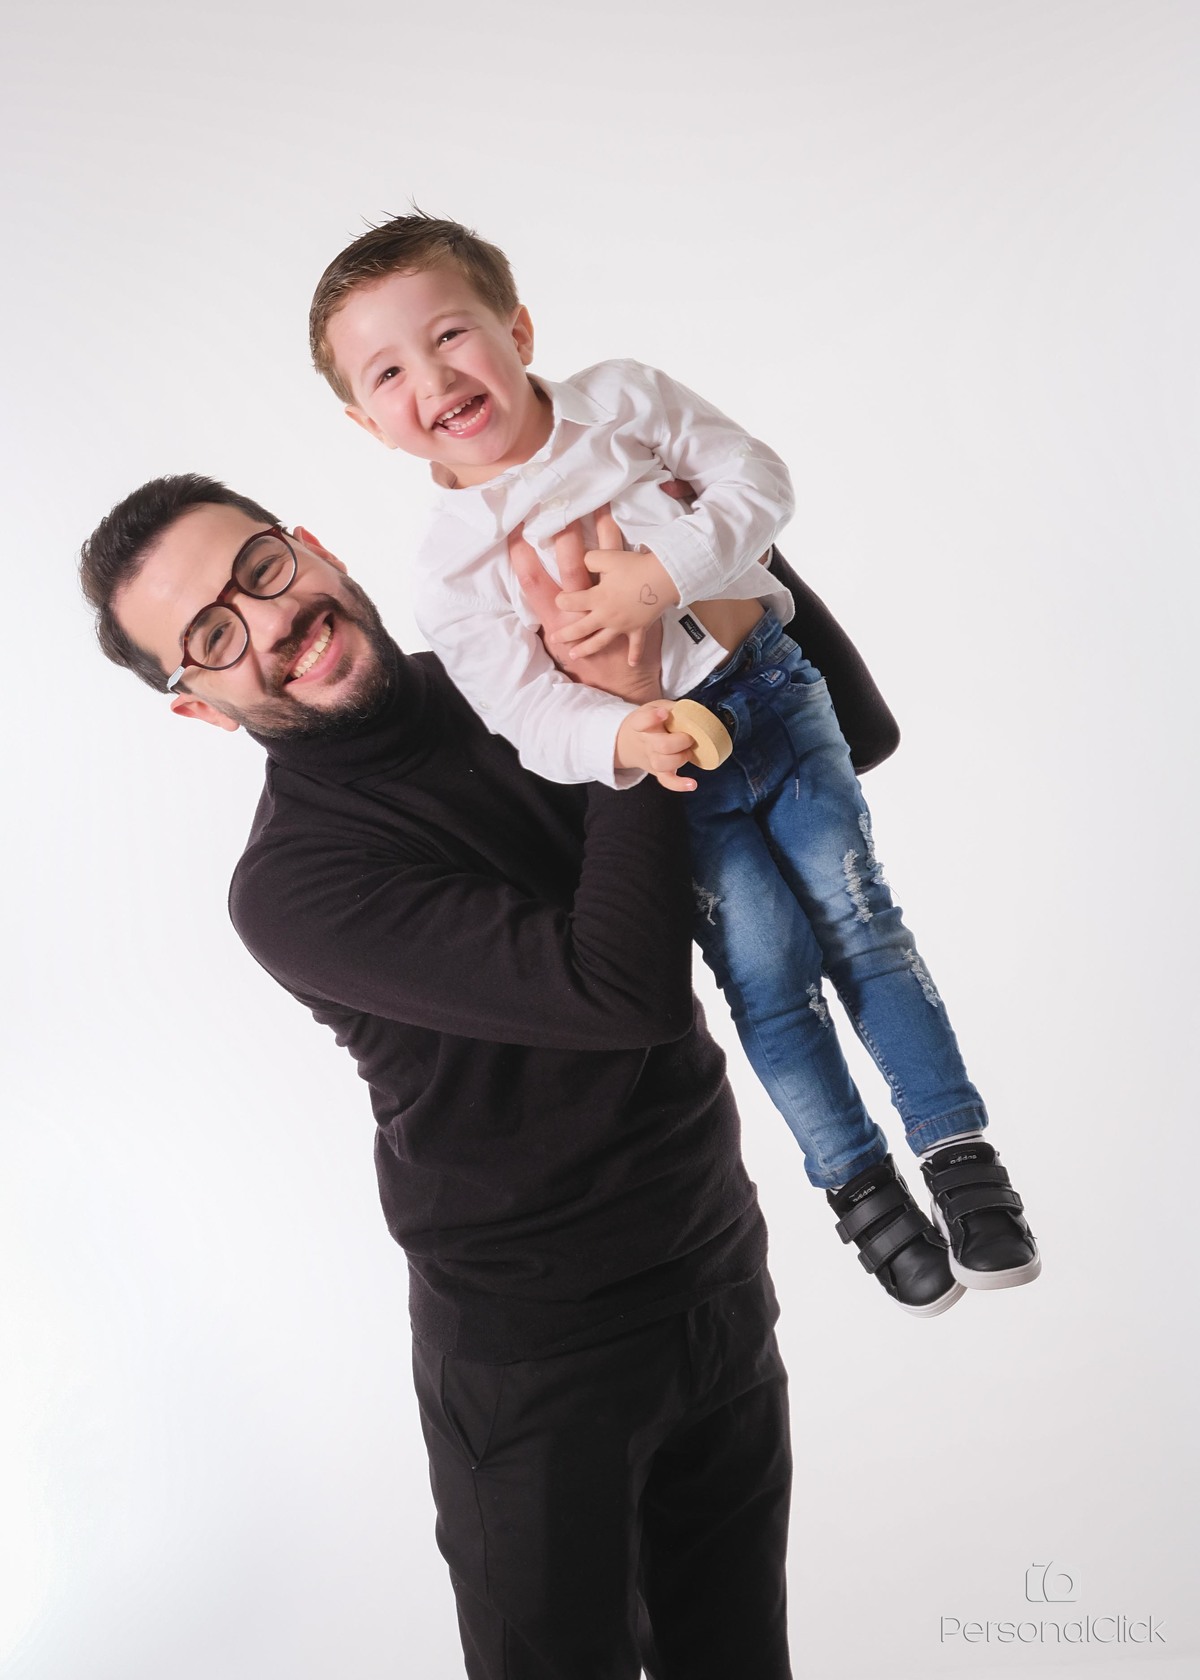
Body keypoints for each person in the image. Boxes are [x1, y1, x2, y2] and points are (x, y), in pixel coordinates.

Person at [81, 474, 822, 1679]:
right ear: (200, 708)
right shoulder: (292, 888)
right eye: (212, 637)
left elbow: (846, 745)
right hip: (535, 1364)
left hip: (716, 1268)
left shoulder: (515, 673)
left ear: (311, 547)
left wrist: (707, 555)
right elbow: (617, 992)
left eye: (261, 571)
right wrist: (628, 700)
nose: (272, 622)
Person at [305, 212, 1040, 1315]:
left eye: (451, 334)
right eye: (391, 372)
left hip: (771, 693)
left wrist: (663, 575)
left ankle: (959, 1155)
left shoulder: (622, 401)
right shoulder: (450, 572)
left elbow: (759, 483)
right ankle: (859, 1185)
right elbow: (524, 713)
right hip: (669, 773)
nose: (435, 377)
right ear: (370, 424)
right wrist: (617, 734)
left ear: (517, 329)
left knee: (862, 922)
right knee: (767, 978)